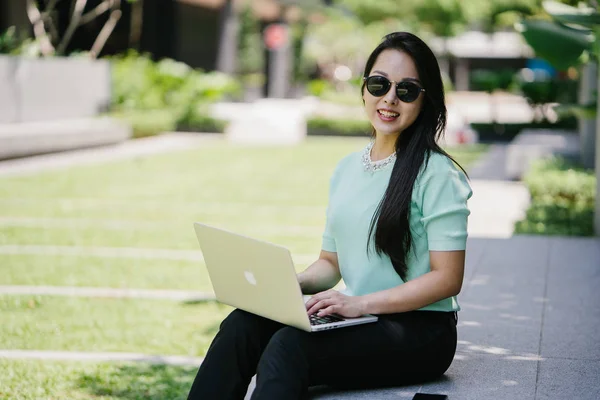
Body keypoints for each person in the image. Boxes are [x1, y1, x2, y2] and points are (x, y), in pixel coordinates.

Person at [186, 31, 472, 400]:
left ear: (425, 100)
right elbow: (330, 264)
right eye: (379, 84)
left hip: (420, 331)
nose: (389, 98)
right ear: (364, 89)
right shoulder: (347, 169)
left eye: (406, 90)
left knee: (289, 346)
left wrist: (358, 304)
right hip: (360, 316)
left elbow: (447, 279)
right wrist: (291, 283)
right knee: (243, 324)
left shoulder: (438, 175)